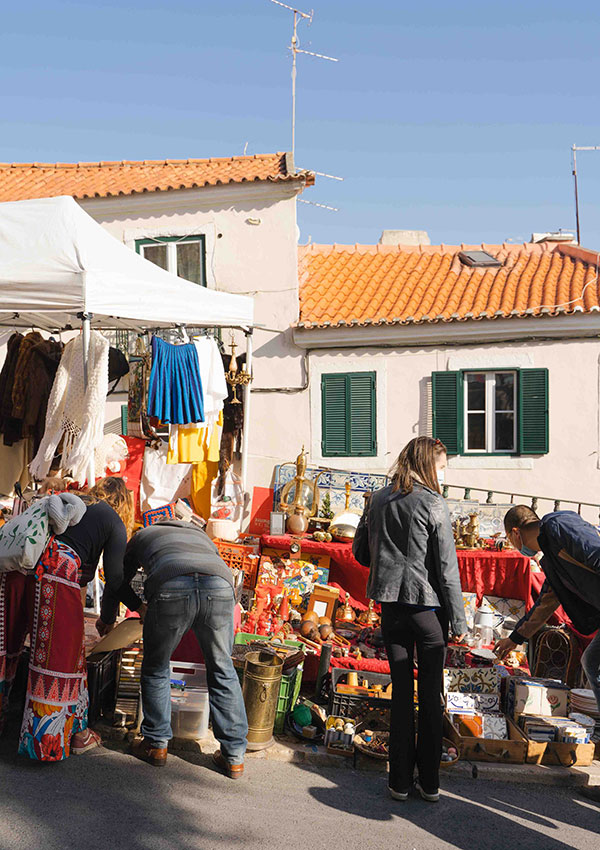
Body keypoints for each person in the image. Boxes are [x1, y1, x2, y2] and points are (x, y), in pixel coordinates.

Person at [353, 436, 467, 803]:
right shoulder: (433, 503)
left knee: (402, 695)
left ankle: (398, 782)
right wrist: (460, 623)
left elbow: (361, 554)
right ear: (427, 465)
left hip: (391, 609)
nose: (444, 474)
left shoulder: (378, 499)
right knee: (430, 697)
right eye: (442, 466)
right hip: (426, 610)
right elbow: (447, 570)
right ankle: (429, 783)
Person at [0, 476, 141, 761]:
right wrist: (139, 606)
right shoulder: (113, 521)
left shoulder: (75, 502)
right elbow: (114, 579)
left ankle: (13, 720)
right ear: (124, 504)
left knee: (7, 646)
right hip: (55, 573)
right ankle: (52, 740)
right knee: (62, 658)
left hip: (17, 567)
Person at [113, 519, 248, 776]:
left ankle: (156, 744)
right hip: (219, 587)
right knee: (222, 668)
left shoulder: (142, 535)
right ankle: (234, 756)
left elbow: (118, 578)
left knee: (156, 666)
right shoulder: (201, 536)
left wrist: (117, 614)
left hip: (172, 585)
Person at [495, 505, 600, 710]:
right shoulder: (550, 556)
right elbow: (545, 603)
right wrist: (515, 639)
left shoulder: (558, 525)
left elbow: (595, 552)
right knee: (591, 662)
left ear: (515, 533)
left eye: (509, 540)